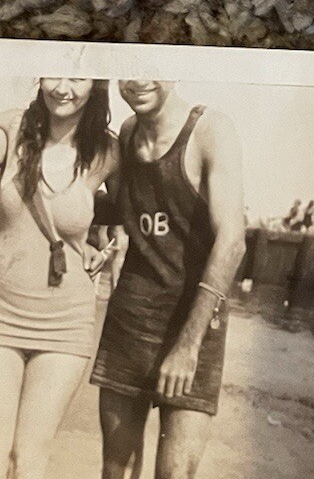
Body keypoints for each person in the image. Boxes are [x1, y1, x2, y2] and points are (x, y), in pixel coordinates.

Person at [92, 80, 245, 479]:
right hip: (130, 319)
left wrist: (188, 346)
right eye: (128, 71)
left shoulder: (211, 129)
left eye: (151, 69)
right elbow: (130, 210)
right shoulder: (126, 133)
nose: (139, 81)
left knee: (174, 474)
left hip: (194, 326)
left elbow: (232, 243)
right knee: (115, 470)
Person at [0, 79, 118, 479]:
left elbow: (133, 218)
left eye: (77, 78)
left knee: (28, 460)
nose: (63, 88)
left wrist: (105, 243)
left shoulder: (107, 151)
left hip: (64, 324)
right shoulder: (11, 129)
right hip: (1, 313)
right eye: (54, 74)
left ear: (96, 85)